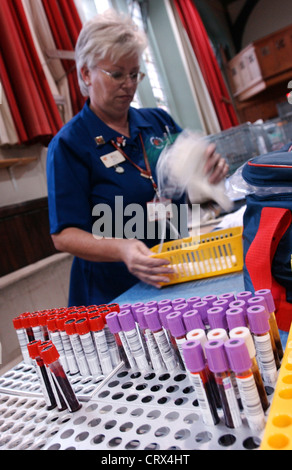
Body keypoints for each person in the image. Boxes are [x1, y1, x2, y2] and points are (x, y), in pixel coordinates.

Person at [46, 9, 229, 307]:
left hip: (176, 273)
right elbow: (64, 235)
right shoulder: (69, 145)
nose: (129, 84)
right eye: (117, 74)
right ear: (86, 74)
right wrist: (123, 248)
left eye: (134, 74)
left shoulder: (158, 122)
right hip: (115, 294)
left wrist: (208, 175)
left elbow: (188, 192)